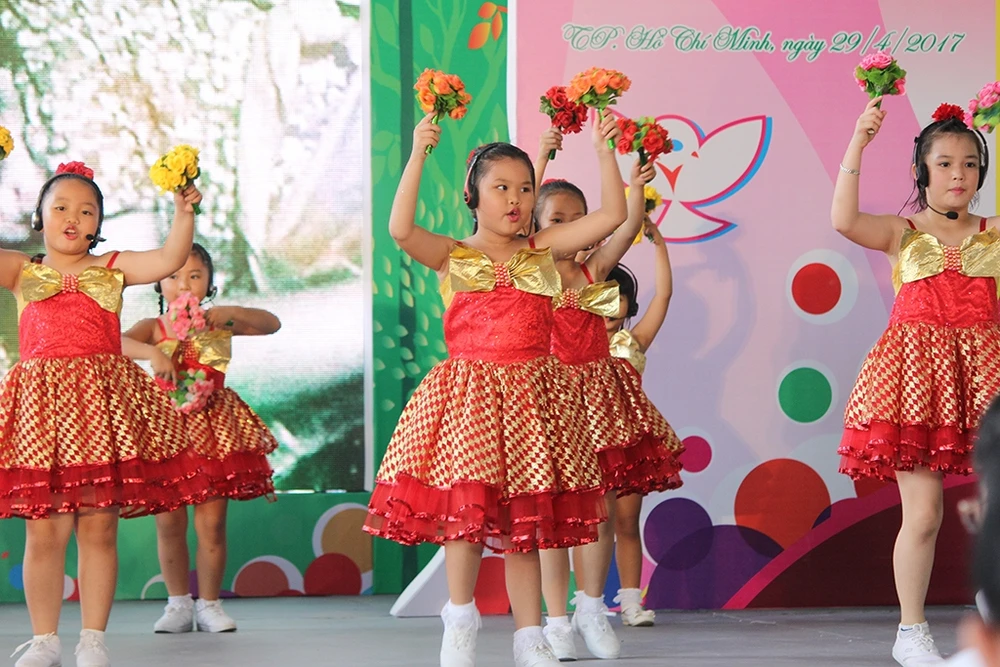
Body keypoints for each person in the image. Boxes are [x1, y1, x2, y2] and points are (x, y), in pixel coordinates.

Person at [364, 110, 626, 667]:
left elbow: (611, 216)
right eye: (501, 187)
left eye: (525, 188)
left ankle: (530, 635)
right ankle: (460, 618)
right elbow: (401, 230)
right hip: (471, 399)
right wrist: (417, 152)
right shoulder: (454, 255)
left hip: (533, 398)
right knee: (466, 518)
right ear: (473, 196)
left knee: (524, 524)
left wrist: (605, 151)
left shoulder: (544, 249)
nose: (516, 199)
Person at [0, 161, 202, 667]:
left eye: (86, 211)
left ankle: (93, 639)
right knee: (44, 531)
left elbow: (169, 257)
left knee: (98, 527)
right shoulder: (21, 269)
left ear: (98, 224)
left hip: (99, 410)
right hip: (42, 414)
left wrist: (183, 212)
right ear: (39, 217)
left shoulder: (113, 265)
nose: (73, 218)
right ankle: (45, 640)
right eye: (61, 207)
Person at [833, 99, 1000, 666]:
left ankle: (993, 604)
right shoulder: (899, 232)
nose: (959, 174)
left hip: (985, 378)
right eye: (946, 163)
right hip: (915, 382)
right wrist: (859, 139)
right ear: (920, 171)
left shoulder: (993, 232)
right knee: (923, 515)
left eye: (971, 163)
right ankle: (912, 631)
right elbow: (843, 220)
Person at [532, 130, 683, 661]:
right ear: (536, 228)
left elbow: (625, 224)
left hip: (597, 402)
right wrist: (540, 154)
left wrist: (634, 185)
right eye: (557, 220)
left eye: (580, 218)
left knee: (596, 512)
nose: (572, 227)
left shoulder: (594, 272)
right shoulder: (527, 275)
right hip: (547, 401)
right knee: (551, 517)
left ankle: (592, 608)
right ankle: (555, 621)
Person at [123, 243, 280, 634]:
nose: (184, 284)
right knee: (169, 524)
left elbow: (271, 323)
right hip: (166, 433)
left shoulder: (219, 322)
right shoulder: (153, 327)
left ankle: (210, 604)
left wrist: (231, 313)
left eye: (194, 276)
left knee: (212, 524)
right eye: (174, 276)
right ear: (159, 283)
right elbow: (115, 342)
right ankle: (177, 604)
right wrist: (153, 354)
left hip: (215, 432)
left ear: (209, 282)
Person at [604, 217, 678, 629]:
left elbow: (663, 294)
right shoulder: (568, 344)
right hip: (584, 444)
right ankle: (585, 602)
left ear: (629, 305)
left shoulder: (633, 342)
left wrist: (658, 243)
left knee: (626, 523)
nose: (608, 306)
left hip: (629, 445)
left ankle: (631, 603)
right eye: (599, 296)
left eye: (617, 297)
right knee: (587, 526)